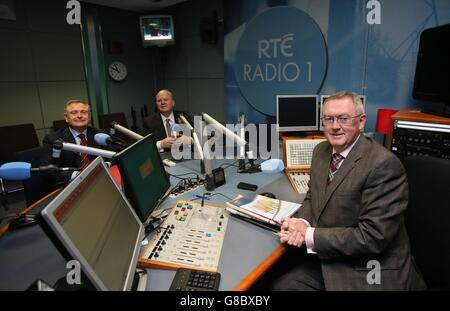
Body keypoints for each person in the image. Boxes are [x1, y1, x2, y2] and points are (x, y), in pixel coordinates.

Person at [272, 91, 426, 290]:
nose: (335, 126)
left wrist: (309, 234)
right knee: (281, 285)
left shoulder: (383, 165)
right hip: (333, 254)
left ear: (361, 122)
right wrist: (300, 222)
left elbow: (372, 238)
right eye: (328, 119)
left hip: (370, 267)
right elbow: (313, 197)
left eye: (343, 118)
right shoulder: (321, 151)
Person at [41, 100, 106, 188]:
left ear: (89, 116)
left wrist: (103, 168)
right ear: (66, 117)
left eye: (83, 112)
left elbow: (113, 157)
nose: (79, 116)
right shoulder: (52, 139)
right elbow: (48, 170)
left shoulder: (100, 135)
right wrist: (77, 175)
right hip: (70, 185)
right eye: (74, 113)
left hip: (99, 179)